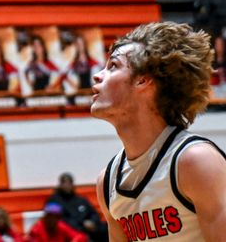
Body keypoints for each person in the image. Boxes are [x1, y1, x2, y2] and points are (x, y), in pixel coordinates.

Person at [92, 22, 226, 241]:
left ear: (143, 80)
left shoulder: (194, 162)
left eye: (113, 66)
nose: (97, 75)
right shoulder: (107, 182)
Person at [45, 172, 106, 242]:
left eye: (69, 182)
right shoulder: (54, 201)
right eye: (64, 182)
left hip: (89, 229)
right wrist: (82, 224)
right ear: (60, 184)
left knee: (106, 228)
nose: (67, 185)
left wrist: (93, 222)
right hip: (72, 231)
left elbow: (94, 213)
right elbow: (57, 220)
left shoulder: (81, 200)